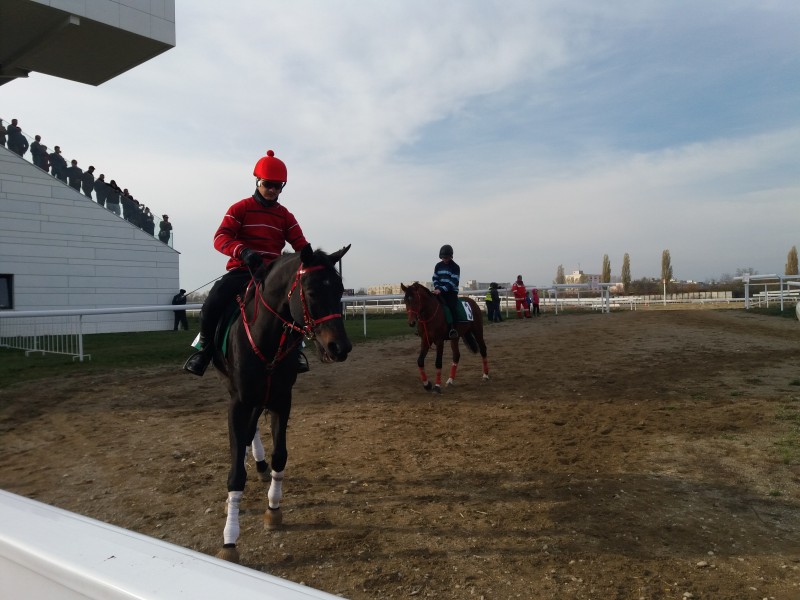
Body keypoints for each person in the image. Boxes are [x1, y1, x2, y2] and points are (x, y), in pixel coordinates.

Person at [184, 149, 312, 376]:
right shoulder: (240, 208)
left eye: (277, 186)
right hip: (243, 271)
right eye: (268, 184)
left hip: (271, 274)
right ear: (257, 182)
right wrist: (242, 251)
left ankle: (296, 350)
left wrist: (314, 259)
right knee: (211, 303)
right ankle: (204, 350)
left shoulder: (285, 216)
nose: (272, 190)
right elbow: (220, 237)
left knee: (295, 304)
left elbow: (300, 245)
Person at [432, 244, 460, 339]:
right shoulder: (438, 266)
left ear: (451, 256)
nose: (445, 259)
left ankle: (453, 329)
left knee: (451, 307)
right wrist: (437, 287)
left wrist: (441, 289)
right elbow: (435, 278)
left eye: (446, 257)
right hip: (439, 290)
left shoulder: (455, 267)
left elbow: (453, 282)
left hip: (451, 292)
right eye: (443, 257)